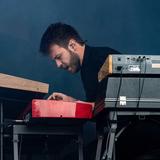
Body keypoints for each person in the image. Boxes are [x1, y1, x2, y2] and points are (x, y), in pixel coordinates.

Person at [39, 22, 119, 103]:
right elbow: (96, 106)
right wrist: (72, 101)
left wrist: (73, 102)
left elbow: (110, 105)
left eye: (59, 57)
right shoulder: (86, 66)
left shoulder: (103, 58)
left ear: (72, 46)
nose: (58, 65)